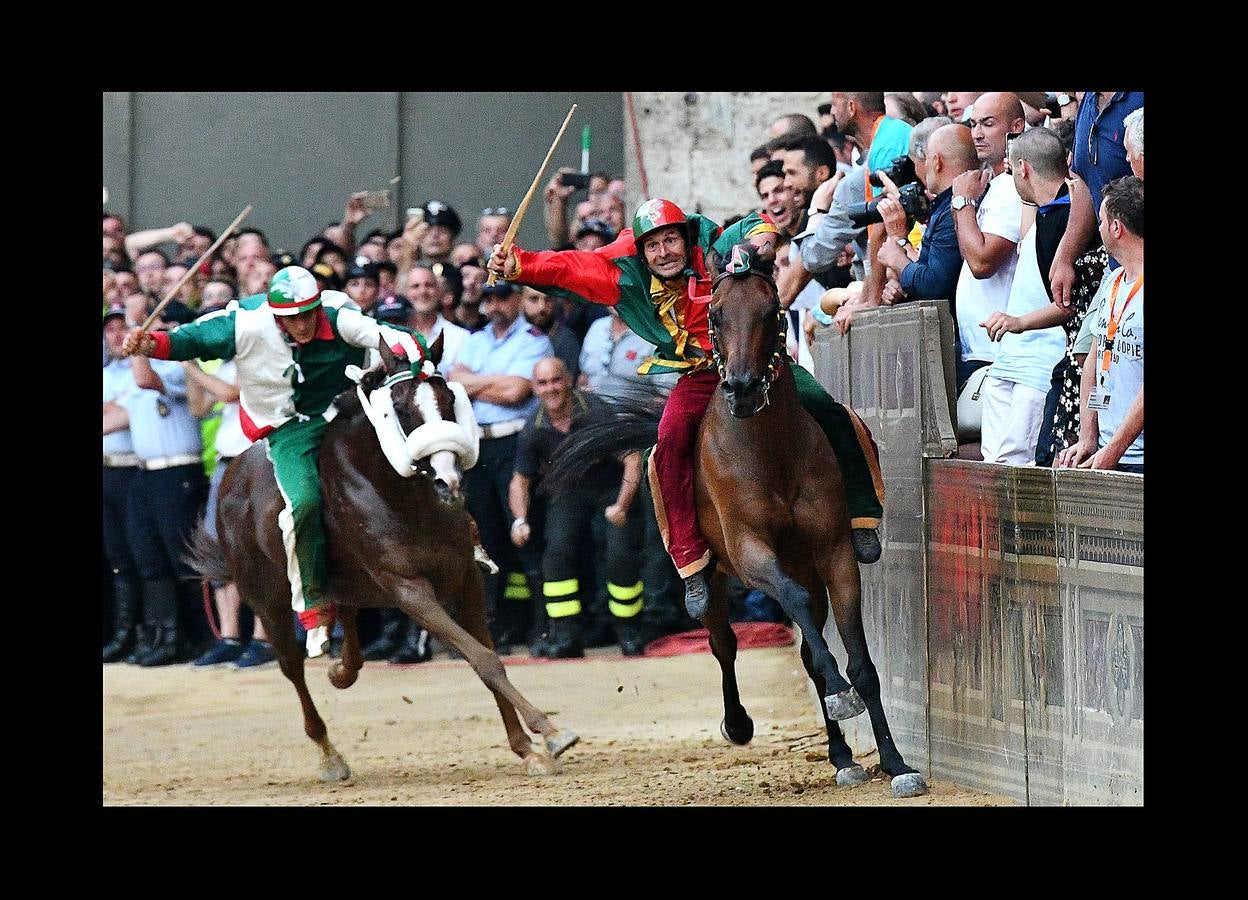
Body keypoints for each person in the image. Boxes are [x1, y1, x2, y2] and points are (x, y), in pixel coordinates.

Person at [488, 198, 886, 619]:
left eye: (671, 240)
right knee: (668, 442)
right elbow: (568, 268)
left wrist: (762, 240)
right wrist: (516, 264)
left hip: (759, 363)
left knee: (825, 406)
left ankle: (860, 514)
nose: (664, 252)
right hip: (699, 373)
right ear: (641, 251)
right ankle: (691, 560)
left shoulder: (713, 243)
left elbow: (756, 224)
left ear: (686, 237)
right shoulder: (623, 277)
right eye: (653, 245)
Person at [121, 265, 434, 658]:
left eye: (307, 314)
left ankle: (461, 534)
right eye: (291, 317)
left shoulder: (338, 313)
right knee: (301, 504)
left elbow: (387, 335)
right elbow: (193, 338)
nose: (302, 325)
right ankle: (316, 605)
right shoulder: (246, 321)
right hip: (288, 425)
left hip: (346, 410)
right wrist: (150, 344)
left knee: (415, 452)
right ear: (275, 313)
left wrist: (419, 355)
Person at [510, 358, 647, 658]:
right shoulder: (533, 428)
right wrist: (519, 520)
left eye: (556, 380)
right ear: (534, 388)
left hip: (612, 487)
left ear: (569, 380)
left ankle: (628, 630)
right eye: (543, 383)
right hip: (568, 490)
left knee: (619, 556)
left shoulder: (598, 412)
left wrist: (622, 505)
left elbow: (633, 458)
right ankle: (565, 634)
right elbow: (520, 480)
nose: (551, 389)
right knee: (556, 553)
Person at [447, 280, 553, 650]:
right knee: (489, 540)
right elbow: (452, 385)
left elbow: (517, 393)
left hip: (516, 442)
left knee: (524, 534)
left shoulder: (534, 338)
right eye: (488, 298)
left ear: (517, 299)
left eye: (502, 297)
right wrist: (492, 381)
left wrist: (473, 383)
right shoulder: (474, 340)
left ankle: (542, 626)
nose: (494, 305)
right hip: (477, 446)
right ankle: (504, 625)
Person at [976, 127, 1077, 464]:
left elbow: (1068, 305)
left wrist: (1018, 322)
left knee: (1018, 468)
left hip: (1039, 368)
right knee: (994, 466)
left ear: (1022, 169)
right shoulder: (1043, 214)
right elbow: (1025, 234)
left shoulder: (1068, 221)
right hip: (1008, 362)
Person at [1057, 176, 1144, 473]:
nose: (1099, 229)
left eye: (1102, 222)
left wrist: (1114, 450)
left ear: (1117, 228)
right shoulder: (1113, 283)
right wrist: (1087, 438)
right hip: (1109, 453)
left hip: (1136, 459)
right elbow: (1094, 363)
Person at [949, 92, 1027, 391]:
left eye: (988, 124)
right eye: (973, 124)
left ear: (1016, 126)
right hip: (985, 346)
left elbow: (982, 262)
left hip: (1000, 347)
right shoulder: (994, 184)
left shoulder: (1012, 186)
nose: (978, 134)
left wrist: (961, 201)